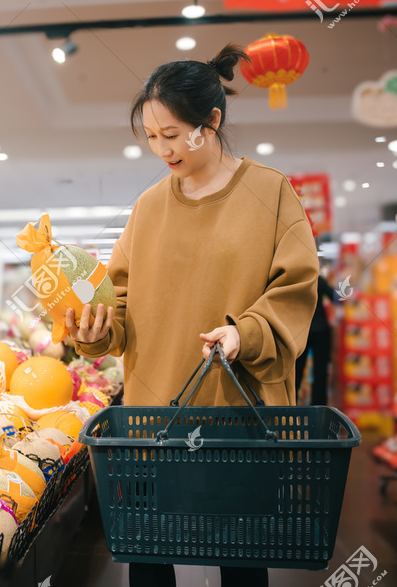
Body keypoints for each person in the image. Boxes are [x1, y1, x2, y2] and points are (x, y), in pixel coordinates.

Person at [64, 45, 319, 587]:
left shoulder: (271, 192)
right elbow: (121, 304)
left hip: (239, 414)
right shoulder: (148, 207)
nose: (162, 150)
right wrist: (94, 332)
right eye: (152, 138)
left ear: (213, 122)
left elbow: (296, 288)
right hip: (155, 415)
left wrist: (244, 332)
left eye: (174, 135)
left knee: (242, 561)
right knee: (149, 559)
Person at [294, 271, 337, 406]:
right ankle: (319, 406)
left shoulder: (297, 281)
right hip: (321, 330)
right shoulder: (319, 280)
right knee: (320, 371)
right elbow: (335, 297)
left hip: (302, 330)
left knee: (297, 370)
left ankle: (291, 403)